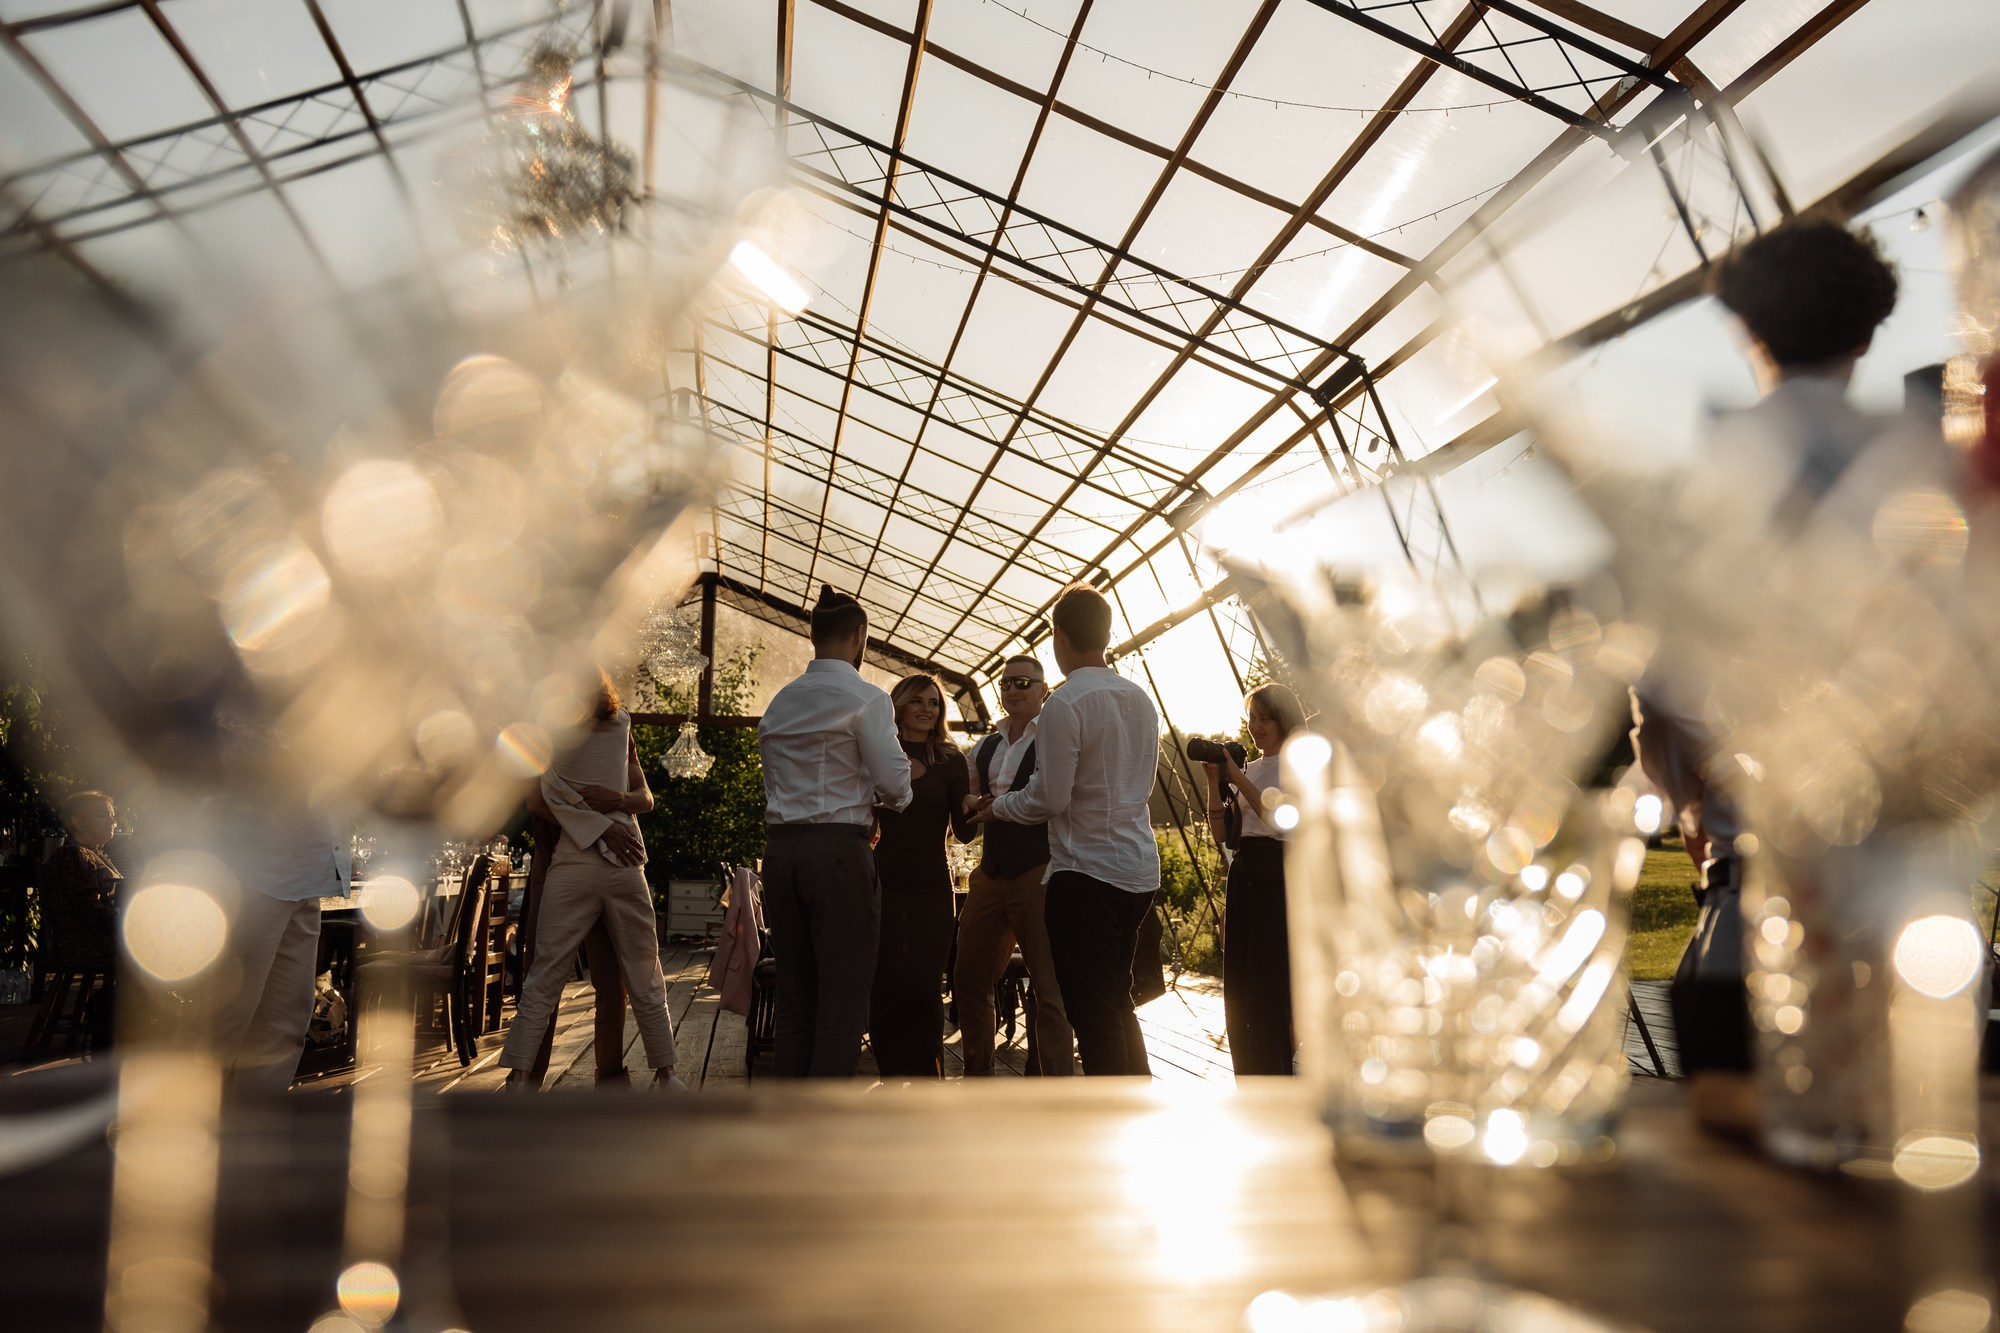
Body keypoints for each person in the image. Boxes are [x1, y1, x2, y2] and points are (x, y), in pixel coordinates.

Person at [1637, 217, 1898, 1089]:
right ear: (1866, 333)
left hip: (1751, 913)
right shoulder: (1930, 472)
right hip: (1908, 918)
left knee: (1731, 1198)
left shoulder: (1699, 493)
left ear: (1746, 328)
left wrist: (1688, 802)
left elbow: (1657, 708)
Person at [977, 585, 1160, 1077]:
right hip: (1138, 871)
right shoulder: (1139, 698)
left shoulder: (1064, 703)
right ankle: (1137, 1102)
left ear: (1059, 638)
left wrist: (1000, 809)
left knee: (1092, 1010)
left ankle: (1112, 1119)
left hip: (1086, 873)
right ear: (1105, 634)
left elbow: (1049, 798)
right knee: (1116, 998)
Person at [758, 586, 913, 1078]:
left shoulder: (779, 704)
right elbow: (895, 785)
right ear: (859, 636)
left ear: (811, 634)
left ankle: (789, 1124)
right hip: (839, 857)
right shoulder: (866, 699)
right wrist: (894, 795)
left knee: (796, 1002)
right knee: (842, 1004)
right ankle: (825, 1135)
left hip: (781, 856)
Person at [501, 670, 682, 1090]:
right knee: (640, 972)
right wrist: (609, 822)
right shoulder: (622, 722)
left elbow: (539, 798)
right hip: (624, 861)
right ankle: (664, 1073)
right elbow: (643, 798)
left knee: (544, 975)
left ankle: (520, 1077)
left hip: (568, 861)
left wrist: (596, 816)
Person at [953, 655, 1075, 1076]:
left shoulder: (1055, 737)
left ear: (1044, 689)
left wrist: (998, 807)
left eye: (1023, 682)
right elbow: (968, 796)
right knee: (968, 977)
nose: (1012, 690)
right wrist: (969, 801)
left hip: (1038, 871)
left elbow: (1056, 797)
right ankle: (977, 1074)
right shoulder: (985, 745)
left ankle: (1053, 1082)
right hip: (990, 872)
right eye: (1005, 684)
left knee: (1049, 984)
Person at [867, 674, 976, 1079]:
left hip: (932, 883)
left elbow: (965, 833)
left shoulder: (951, 759)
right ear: (899, 706)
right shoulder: (877, 752)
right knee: (886, 980)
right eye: (919, 701)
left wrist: (969, 806)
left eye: (935, 703)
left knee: (925, 983)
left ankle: (928, 1075)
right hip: (883, 879)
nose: (928, 708)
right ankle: (890, 1073)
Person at [1203, 684, 1307, 1077]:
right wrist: (1216, 782)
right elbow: (1223, 834)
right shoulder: (1252, 768)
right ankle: (1248, 1076)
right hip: (1244, 874)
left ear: (1284, 719)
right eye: (1252, 719)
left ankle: (1275, 1077)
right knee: (1240, 989)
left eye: (1265, 718)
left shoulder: (1296, 764)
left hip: (1277, 878)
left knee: (1268, 990)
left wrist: (1239, 779)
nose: (1256, 727)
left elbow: (1283, 821)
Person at [516, 805, 628, 1087]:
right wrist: (601, 826)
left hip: (609, 860)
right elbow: (535, 800)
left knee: (613, 980)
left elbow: (644, 797)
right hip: (553, 857)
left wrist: (619, 802)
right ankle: (527, 1078)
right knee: (542, 978)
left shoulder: (621, 756)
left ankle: (611, 1079)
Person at [40, 789, 122, 1052]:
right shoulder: (72, 855)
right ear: (79, 821)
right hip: (84, 941)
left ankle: (120, 1015)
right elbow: (88, 909)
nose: (112, 822)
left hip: (101, 936)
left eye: (113, 817)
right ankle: (111, 1011)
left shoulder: (96, 855)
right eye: (103, 815)